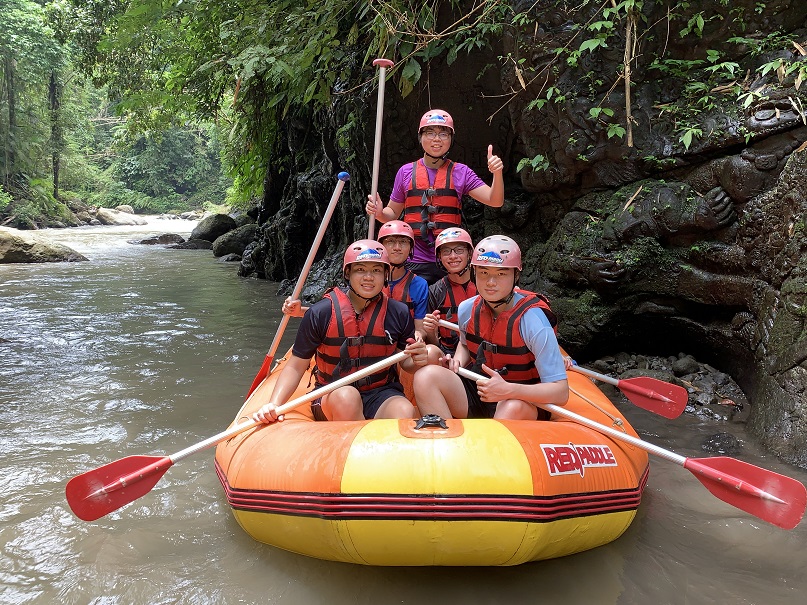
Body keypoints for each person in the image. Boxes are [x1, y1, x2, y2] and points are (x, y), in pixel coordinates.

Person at [254, 240, 428, 423]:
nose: (369, 277)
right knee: (348, 397)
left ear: (386, 275)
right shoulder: (320, 313)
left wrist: (417, 360)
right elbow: (296, 365)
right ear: (348, 273)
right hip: (332, 392)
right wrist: (274, 403)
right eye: (360, 270)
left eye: (376, 270)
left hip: (379, 392)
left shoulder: (398, 312)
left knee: (404, 409)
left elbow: (406, 362)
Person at [412, 235, 568, 420]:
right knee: (426, 377)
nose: (491, 282)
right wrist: (457, 362)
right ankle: (448, 442)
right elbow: (464, 344)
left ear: (515, 275)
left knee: (512, 406)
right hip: (483, 390)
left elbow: (561, 392)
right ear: (474, 273)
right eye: (484, 273)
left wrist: (509, 390)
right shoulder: (467, 308)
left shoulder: (534, 321)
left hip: (523, 397)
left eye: (501, 273)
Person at [365, 109, 504, 284]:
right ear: (420, 137)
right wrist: (379, 213)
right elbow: (392, 213)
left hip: (450, 260)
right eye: (430, 133)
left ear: (451, 139)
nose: (437, 139)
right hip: (414, 260)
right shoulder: (405, 172)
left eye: (443, 134)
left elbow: (495, 200)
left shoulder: (461, 172)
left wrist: (497, 173)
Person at [421, 228, 477, 360]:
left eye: (459, 250)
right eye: (446, 252)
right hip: (448, 355)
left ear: (469, 253)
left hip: (480, 356)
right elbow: (434, 343)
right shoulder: (435, 291)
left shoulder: (486, 286)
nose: (453, 256)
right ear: (439, 256)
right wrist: (430, 331)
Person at [376, 220, 429, 337]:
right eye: (390, 242)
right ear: (381, 246)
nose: (397, 248)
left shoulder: (419, 284)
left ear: (410, 249)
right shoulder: (369, 281)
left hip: (404, 344)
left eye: (403, 242)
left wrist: (418, 337)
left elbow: (420, 328)